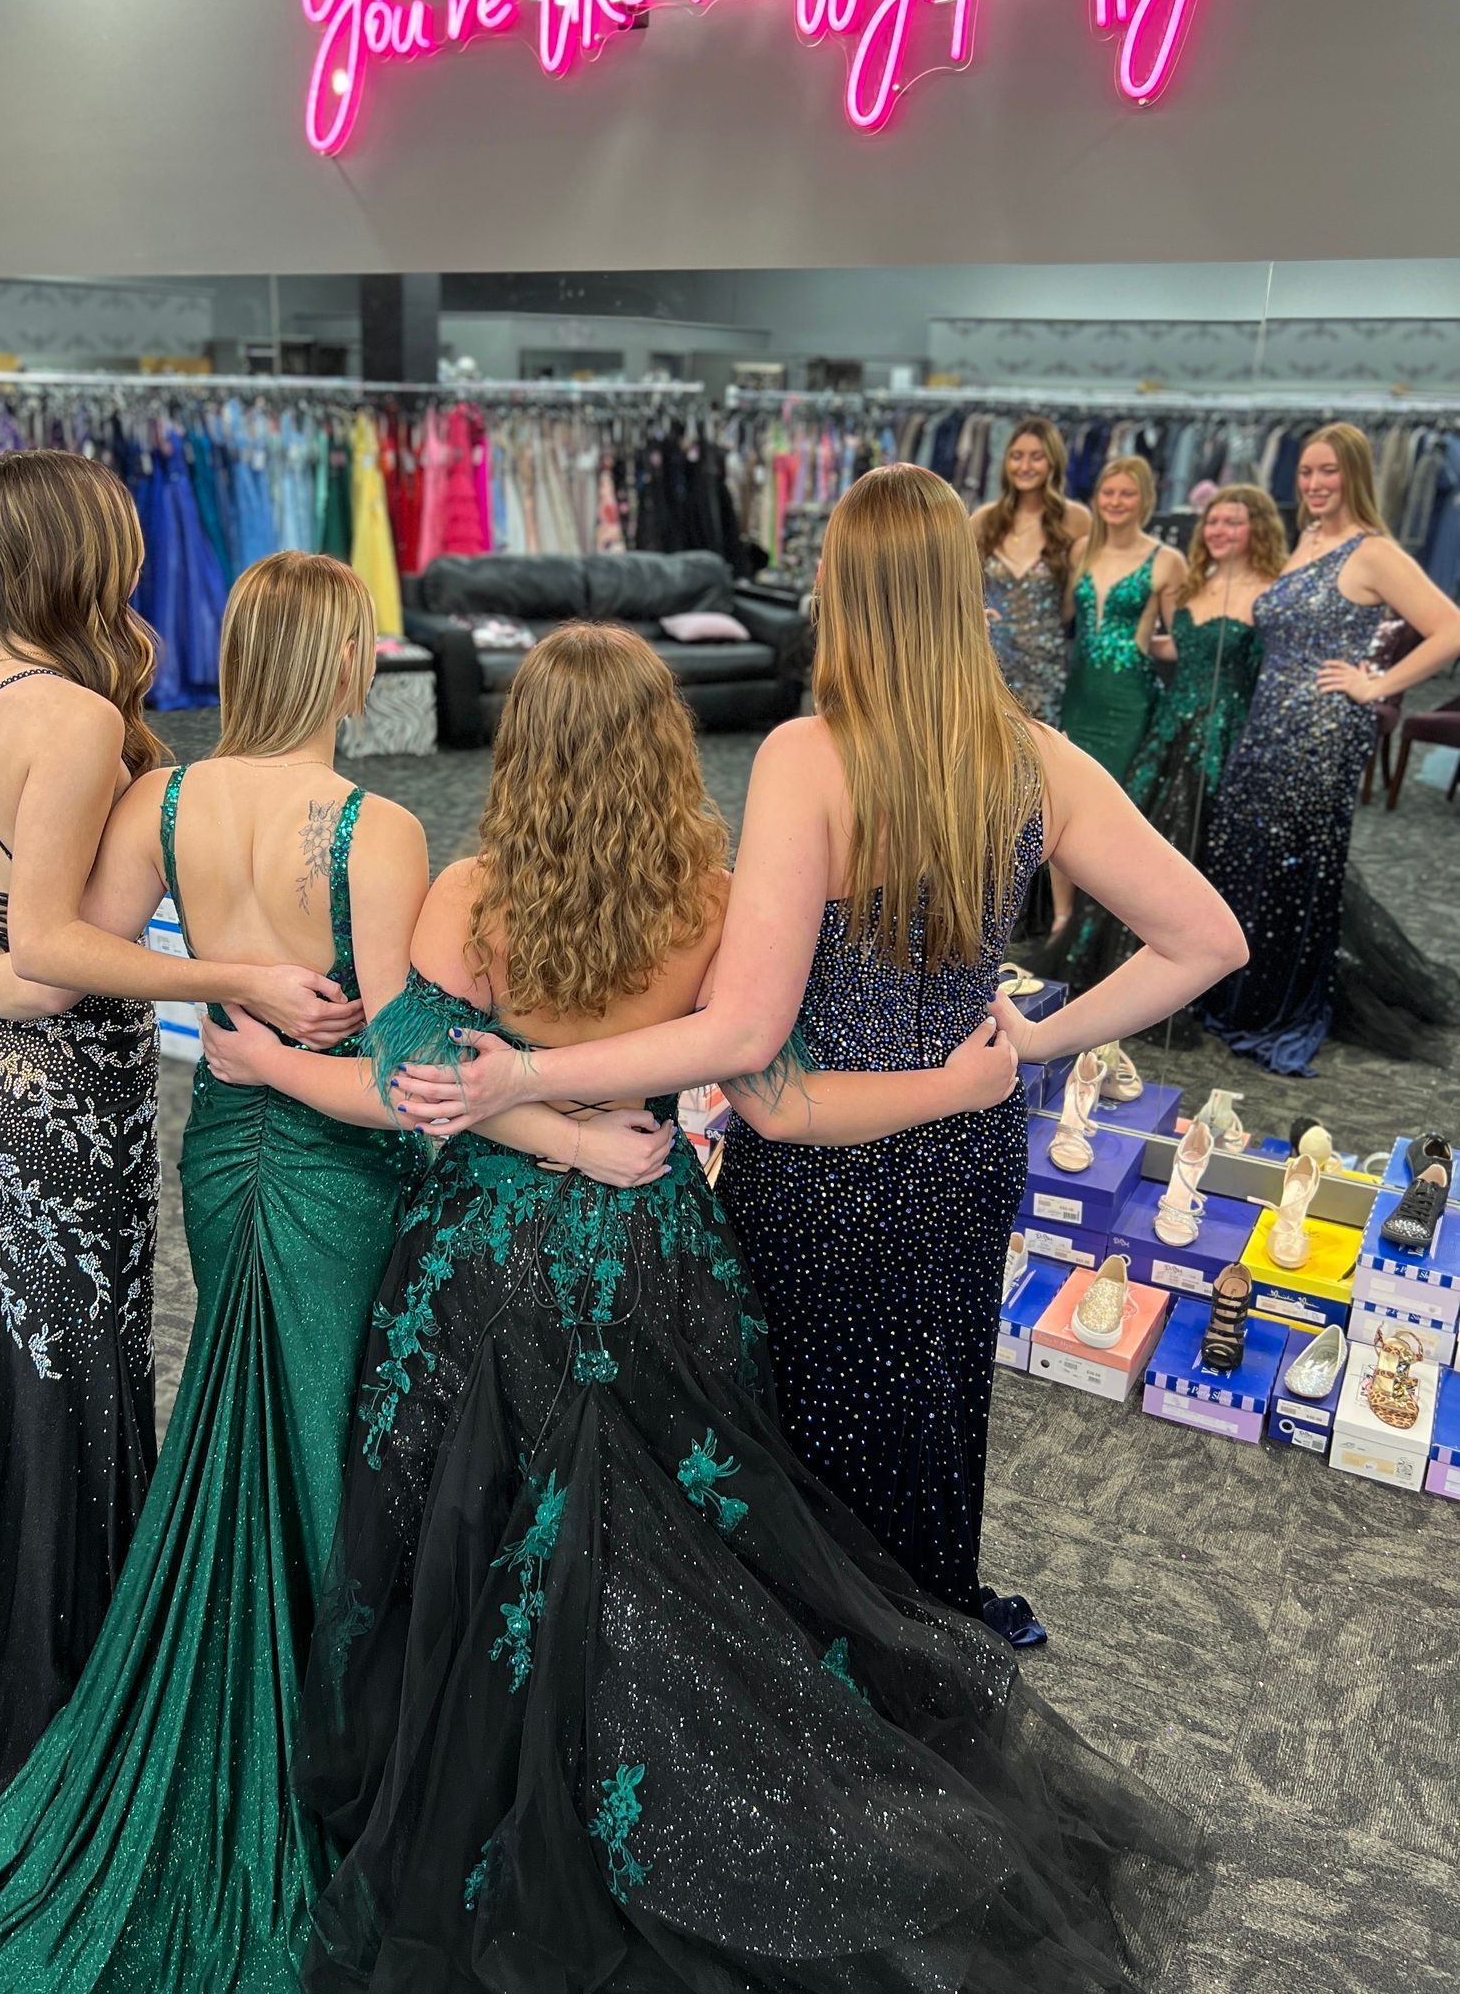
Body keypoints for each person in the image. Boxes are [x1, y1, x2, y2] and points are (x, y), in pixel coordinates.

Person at [0, 556, 668, 1994]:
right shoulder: (374, 831)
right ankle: (335, 1758)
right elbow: (400, 1074)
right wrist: (564, 1134)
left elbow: (64, 961)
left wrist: (27, 975)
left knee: (249, 1412)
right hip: (331, 1164)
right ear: (338, 669)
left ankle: (273, 1706)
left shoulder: (158, 804)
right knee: (327, 1437)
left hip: (224, 1149)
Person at [296, 615, 1217, 1994]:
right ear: (673, 752)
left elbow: (418, 1079)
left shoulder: (465, 894)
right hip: (658, 1250)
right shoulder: (711, 903)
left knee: (466, 1530)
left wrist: (538, 1125)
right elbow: (770, 1089)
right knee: (677, 1538)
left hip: (483, 1261)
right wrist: (962, 1085)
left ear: (519, 752)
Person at [392, 470, 1243, 1610]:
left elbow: (747, 1038)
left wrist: (529, 1071)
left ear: (848, 591)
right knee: (938, 1396)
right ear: (958, 594)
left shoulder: (812, 757)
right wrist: (1034, 1044)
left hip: (820, 1167)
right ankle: (928, 1612)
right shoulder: (1037, 759)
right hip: (966, 1144)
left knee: (809, 1438)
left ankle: (843, 1669)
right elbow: (1207, 938)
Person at [0, 452, 353, 1837]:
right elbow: (51, 958)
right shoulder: (79, 720)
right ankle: (48, 1698)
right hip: (54, 1083)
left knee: (12, 1350)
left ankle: (4, 1667)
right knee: (74, 1363)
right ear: (85, 557)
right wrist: (233, 982)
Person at [1200, 423, 1460, 1074]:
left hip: (1319, 734)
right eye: (1306, 473)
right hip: (1265, 726)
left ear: (1354, 476)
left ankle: (1272, 1005)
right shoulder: (1306, 540)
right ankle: (1238, 993)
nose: (1313, 484)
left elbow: (1448, 628)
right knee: (1247, 857)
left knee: (1291, 869)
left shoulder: (1371, 551)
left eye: (1327, 472)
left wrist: (1376, 684)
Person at [1065, 484, 1286, 988]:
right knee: (1142, 844)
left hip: (1224, 734)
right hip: (1171, 723)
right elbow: (1188, 649)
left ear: (1259, 528)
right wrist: (1138, 645)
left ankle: (1198, 962)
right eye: (1213, 522)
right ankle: (1124, 965)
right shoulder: (1198, 583)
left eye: (1233, 522)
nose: (1219, 531)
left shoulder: (1270, 591)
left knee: (1197, 843)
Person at [1059, 455, 1186, 793]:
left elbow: (1184, 641)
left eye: (1126, 494)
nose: (1115, 502)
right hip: (1080, 693)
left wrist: (1144, 647)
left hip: (1130, 698)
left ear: (1146, 499)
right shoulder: (1081, 551)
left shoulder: (1167, 561)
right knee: (1073, 790)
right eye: (1108, 492)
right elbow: (1061, 616)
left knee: (1117, 795)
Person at [972, 415, 1090, 724]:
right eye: (1017, 456)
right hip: (987, 661)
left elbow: (1079, 598)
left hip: (1046, 663)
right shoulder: (984, 519)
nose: (1025, 466)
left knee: (1041, 757)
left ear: (1053, 462)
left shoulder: (1076, 520)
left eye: (1036, 457)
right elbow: (958, 583)